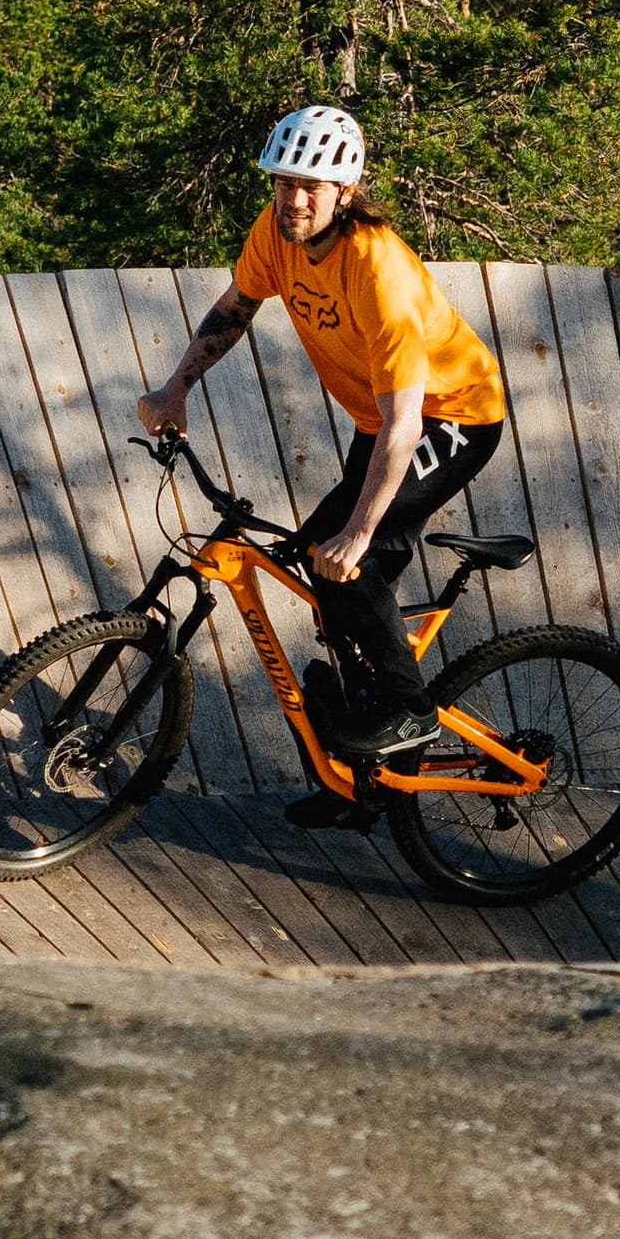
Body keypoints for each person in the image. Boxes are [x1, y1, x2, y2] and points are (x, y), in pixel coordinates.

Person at [134, 104, 507, 830]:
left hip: (454, 414)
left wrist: (362, 531)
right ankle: (363, 786)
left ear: (345, 191)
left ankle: (407, 710)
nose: (293, 199)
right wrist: (178, 385)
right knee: (318, 554)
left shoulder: (378, 270)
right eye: (283, 183)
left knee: (352, 558)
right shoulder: (274, 233)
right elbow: (236, 306)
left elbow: (408, 424)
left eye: (311, 186)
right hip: (383, 421)